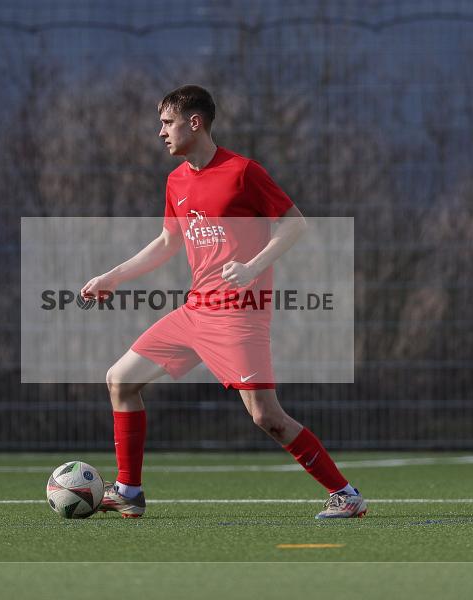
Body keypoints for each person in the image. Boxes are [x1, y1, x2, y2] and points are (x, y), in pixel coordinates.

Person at [80, 85, 366, 520]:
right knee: (120, 380)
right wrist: (112, 277)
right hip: (195, 311)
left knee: (267, 417)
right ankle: (129, 491)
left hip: (238, 314)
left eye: (167, 122)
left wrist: (252, 267)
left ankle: (346, 494)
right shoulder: (175, 181)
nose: (161, 133)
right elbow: (166, 242)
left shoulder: (243, 171)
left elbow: (295, 225)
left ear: (194, 123)